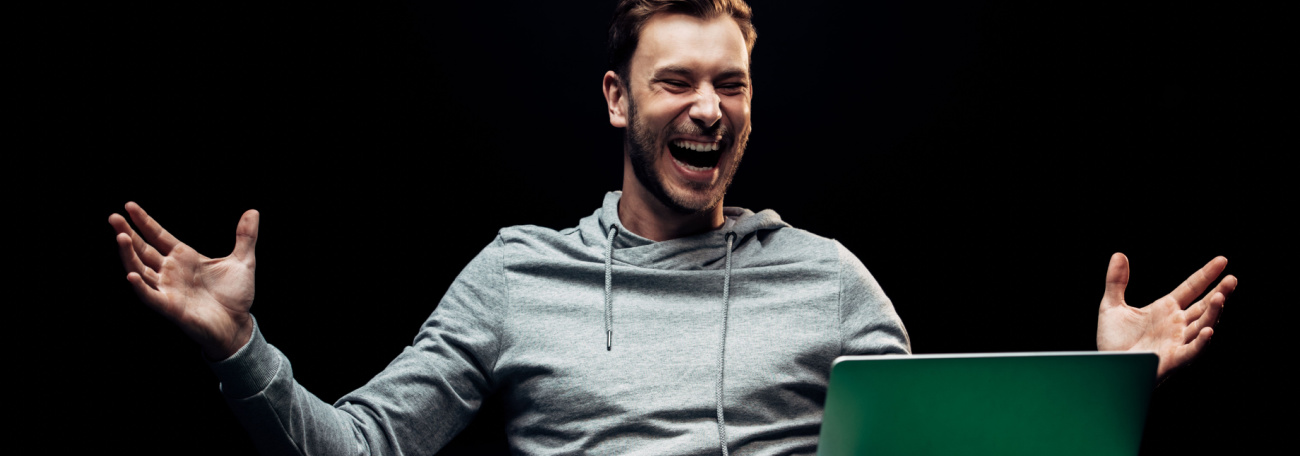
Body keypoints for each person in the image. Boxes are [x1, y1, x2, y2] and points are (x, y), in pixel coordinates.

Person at [107, 1, 1237, 454]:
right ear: (617, 99)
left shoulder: (830, 276)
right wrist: (238, 351)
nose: (708, 108)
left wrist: (1108, 387)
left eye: (732, 85)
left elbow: (935, 453)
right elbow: (355, 451)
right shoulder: (516, 273)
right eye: (677, 82)